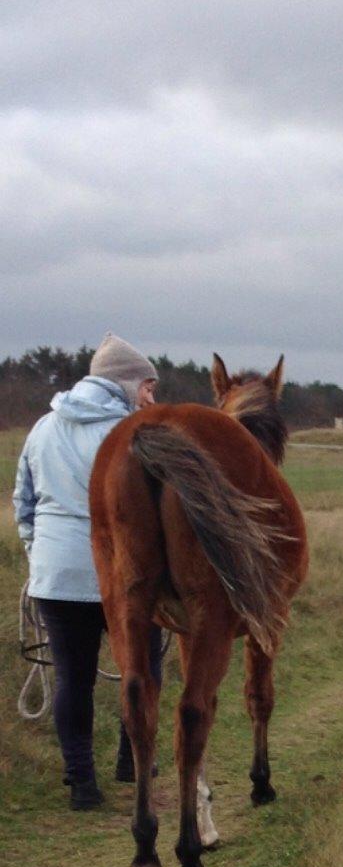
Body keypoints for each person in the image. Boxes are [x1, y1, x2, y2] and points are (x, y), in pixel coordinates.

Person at [13, 333, 163, 810]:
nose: (152, 398)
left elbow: (24, 502)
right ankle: (131, 761)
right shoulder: (136, 433)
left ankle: (81, 784)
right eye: (147, 387)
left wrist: (39, 553)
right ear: (125, 383)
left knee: (72, 679)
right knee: (143, 667)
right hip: (123, 575)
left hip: (56, 576)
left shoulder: (42, 428)